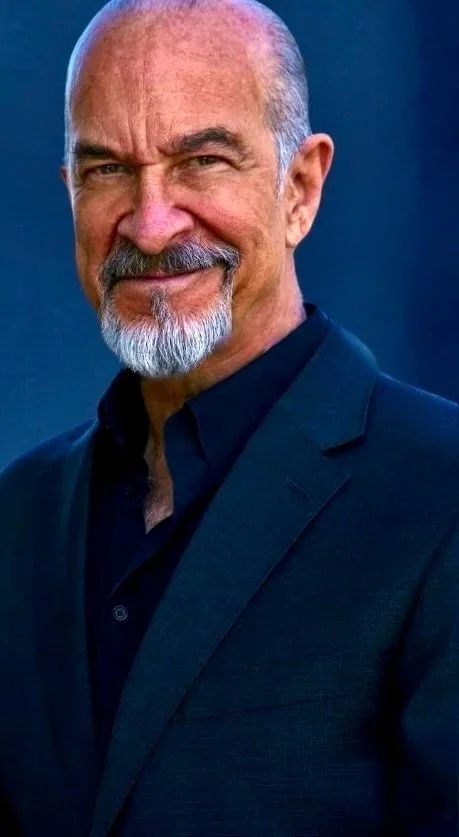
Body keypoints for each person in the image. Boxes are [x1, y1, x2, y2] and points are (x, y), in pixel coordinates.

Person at [0, 0, 457, 834]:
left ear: (299, 188)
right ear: (70, 191)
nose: (149, 223)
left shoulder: (440, 495)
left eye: (201, 161)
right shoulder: (18, 517)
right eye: (107, 170)